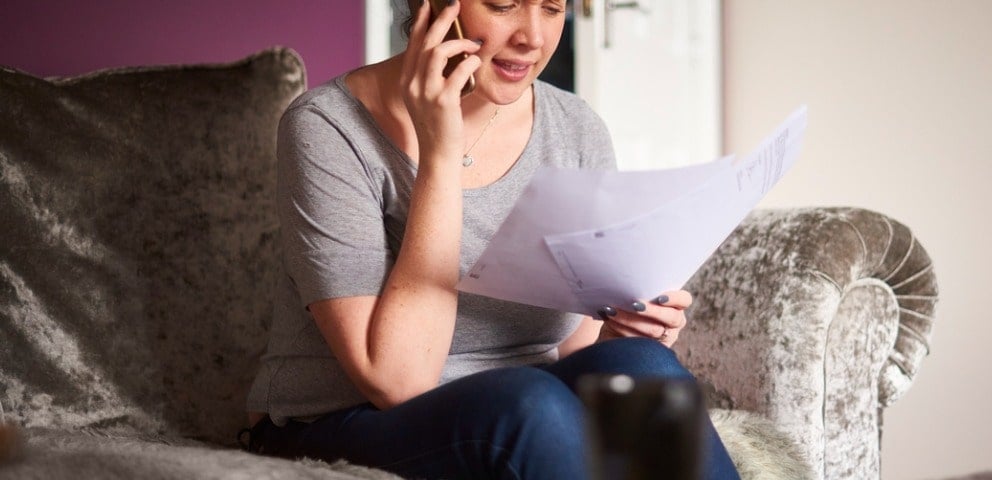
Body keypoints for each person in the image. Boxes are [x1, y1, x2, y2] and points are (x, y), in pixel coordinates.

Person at [242, 0, 740, 478]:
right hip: (343, 419)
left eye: (552, 6)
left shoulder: (575, 128)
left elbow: (573, 345)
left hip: (527, 401)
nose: (533, 37)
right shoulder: (327, 127)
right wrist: (440, 153)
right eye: (502, 5)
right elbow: (397, 381)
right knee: (529, 403)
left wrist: (620, 332)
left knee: (645, 366)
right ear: (433, 8)